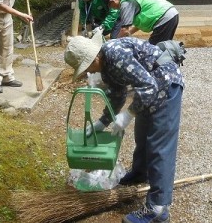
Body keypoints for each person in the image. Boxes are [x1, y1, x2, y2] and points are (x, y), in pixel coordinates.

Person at [64, 32, 184, 223]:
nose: (89, 71)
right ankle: (139, 173)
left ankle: (158, 208)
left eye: (87, 66)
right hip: (150, 85)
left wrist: (128, 114)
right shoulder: (105, 64)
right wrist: (103, 122)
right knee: (142, 134)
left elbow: (149, 86)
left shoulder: (115, 54)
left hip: (166, 82)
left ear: (94, 57)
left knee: (159, 146)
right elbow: (117, 94)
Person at [108, 0, 179, 45]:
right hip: (171, 14)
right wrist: (129, 33)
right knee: (163, 48)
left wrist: (113, 44)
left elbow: (124, 30)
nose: (113, 8)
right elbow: (135, 26)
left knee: (154, 51)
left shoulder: (126, 3)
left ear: (113, 1)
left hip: (164, 17)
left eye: (110, 5)